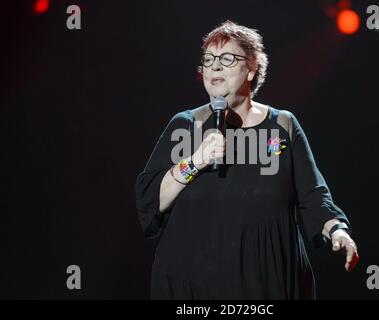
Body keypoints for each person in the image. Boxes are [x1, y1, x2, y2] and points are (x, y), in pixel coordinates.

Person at [135, 20, 359, 300]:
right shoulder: (185, 126)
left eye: (227, 58)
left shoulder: (283, 126)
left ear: (251, 68)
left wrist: (337, 230)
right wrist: (196, 160)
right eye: (208, 60)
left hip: (267, 280)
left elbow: (313, 195)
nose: (215, 67)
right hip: (193, 283)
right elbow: (150, 200)